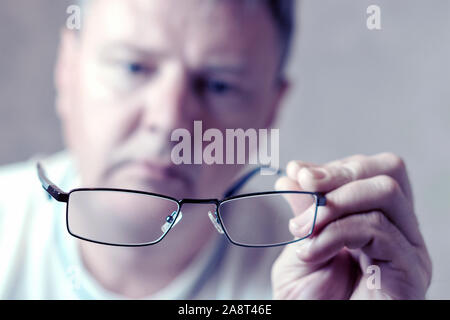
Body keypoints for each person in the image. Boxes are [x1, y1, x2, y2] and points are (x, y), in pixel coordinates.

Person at [0, 0, 431, 299]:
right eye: (133, 67)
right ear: (67, 71)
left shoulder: (326, 275)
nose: (170, 120)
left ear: (270, 111)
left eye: (219, 85)